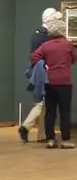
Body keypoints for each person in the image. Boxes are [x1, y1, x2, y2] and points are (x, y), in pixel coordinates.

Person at [31, 17, 76, 149]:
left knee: (50, 112)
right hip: (65, 83)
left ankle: (50, 139)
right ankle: (65, 140)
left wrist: (44, 65)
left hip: (49, 82)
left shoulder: (45, 45)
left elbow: (34, 57)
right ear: (62, 30)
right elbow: (74, 59)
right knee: (65, 112)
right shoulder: (68, 45)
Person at [19, 8, 64, 142]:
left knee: (43, 104)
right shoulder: (44, 37)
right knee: (43, 103)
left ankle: (42, 134)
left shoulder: (37, 34)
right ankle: (26, 127)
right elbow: (40, 56)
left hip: (39, 70)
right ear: (50, 20)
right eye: (55, 20)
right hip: (42, 71)